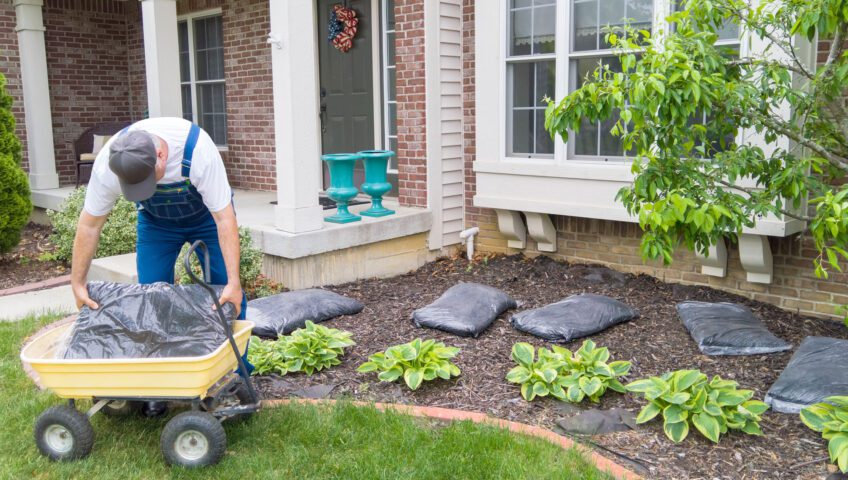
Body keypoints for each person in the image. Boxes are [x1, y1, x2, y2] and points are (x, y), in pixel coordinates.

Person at [69, 117, 246, 416]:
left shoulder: (198, 151)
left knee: (225, 298)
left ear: (162, 156)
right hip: (155, 224)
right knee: (149, 300)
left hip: (207, 219)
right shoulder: (109, 164)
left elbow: (224, 220)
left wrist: (234, 281)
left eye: (147, 181)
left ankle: (232, 379)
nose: (143, 188)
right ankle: (157, 385)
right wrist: (77, 282)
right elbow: (89, 226)